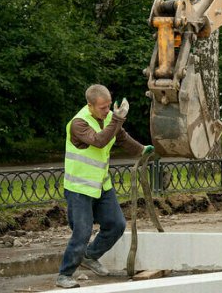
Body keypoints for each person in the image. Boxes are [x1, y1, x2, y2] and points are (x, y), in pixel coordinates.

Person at [56, 84, 154, 289]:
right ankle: (65, 274)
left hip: (101, 185)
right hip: (79, 187)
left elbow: (122, 138)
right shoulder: (79, 123)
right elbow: (99, 141)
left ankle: (90, 256)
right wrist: (117, 120)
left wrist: (142, 150)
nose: (107, 110)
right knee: (82, 232)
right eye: (102, 107)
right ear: (90, 105)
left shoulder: (110, 117)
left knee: (117, 224)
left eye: (109, 105)